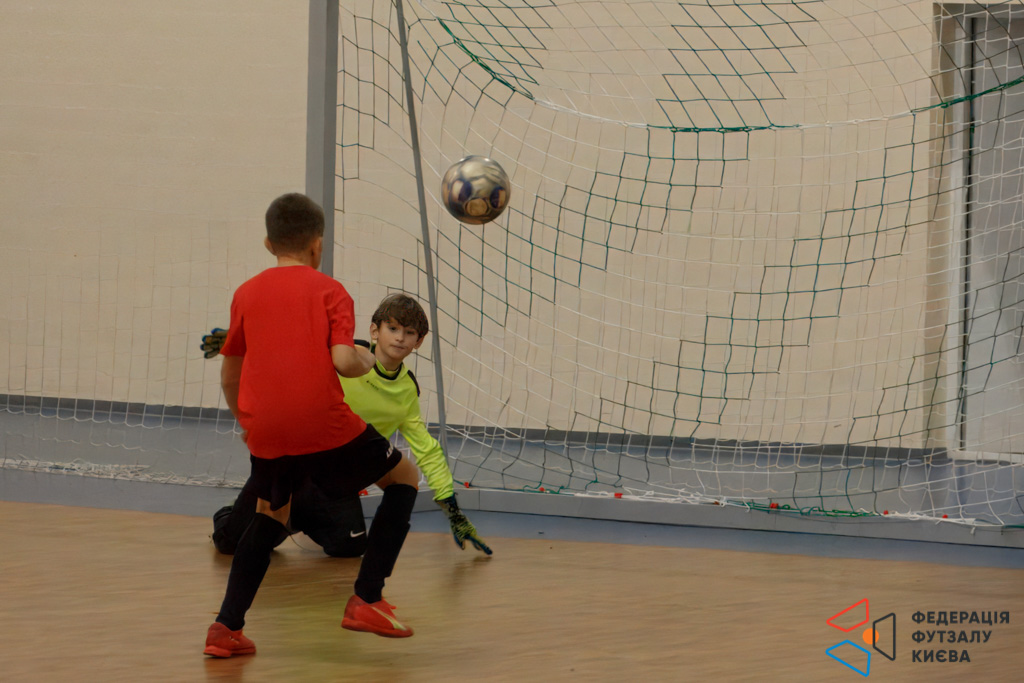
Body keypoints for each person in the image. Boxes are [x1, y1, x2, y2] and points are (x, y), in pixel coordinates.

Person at [204, 193, 420, 659]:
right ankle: (367, 599)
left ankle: (226, 628)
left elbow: (230, 374)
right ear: (317, 245)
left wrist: (248, 424)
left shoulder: (246, 293)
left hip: (266, 430)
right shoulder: (330, 291)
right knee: (405, 477)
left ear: (269, 243)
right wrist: (366, 358)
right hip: (323, 425)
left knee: (272, 514)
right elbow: (343, 361)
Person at [202, 296, 492, 558]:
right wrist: (244, 340)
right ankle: (239, 514)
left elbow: (427, 450)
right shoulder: (344, 356)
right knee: (230, 544)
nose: (400, 338)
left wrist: (454, 512)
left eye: (409, 333)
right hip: (295, 466)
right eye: (393, 328)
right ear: (375, 331)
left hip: (337, 484)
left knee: (349, 548)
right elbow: (296, 347)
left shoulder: (406, 391)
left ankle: (294, 519)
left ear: (418, 342)